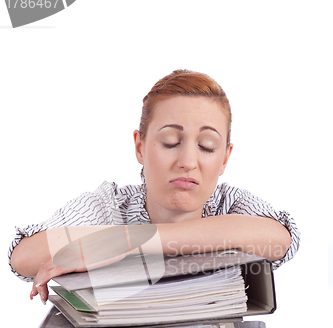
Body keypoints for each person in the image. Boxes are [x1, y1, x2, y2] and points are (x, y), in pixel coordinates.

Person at [9, 69, 300, 304]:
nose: (188, 161)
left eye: (207, 146)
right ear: (140, 146)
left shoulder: (230, 205)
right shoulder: (108, 205)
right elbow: (23, 256)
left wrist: (126, 242)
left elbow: (280, 240)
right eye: (171, 142)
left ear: (225, 158)